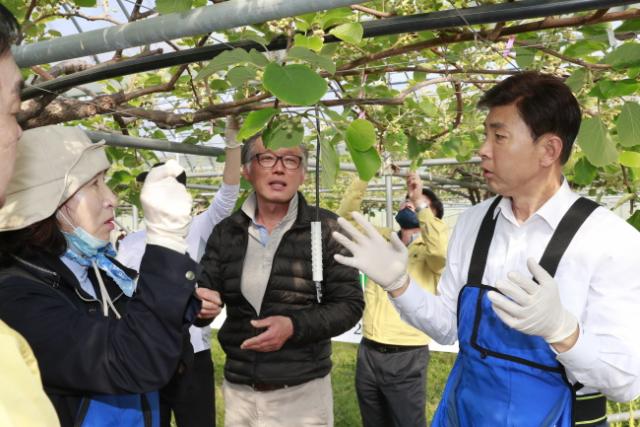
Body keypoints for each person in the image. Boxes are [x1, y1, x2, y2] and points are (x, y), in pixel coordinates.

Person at [333, 71, 640, 427]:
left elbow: (625, 382)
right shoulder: (474, 223)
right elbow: (447, 327)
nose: (483, 149)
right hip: (465, 415)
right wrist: (398, 285)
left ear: (549, 150)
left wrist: (563, 332)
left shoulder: (609, 240)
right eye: (485, 135)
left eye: (499, 136)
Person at [0, 125, 218, 426]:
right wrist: (166, 239)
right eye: (94, 184)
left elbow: (166, 355)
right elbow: (133, 359)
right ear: (47, 204)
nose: (112, 198)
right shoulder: (16, 299)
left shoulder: (102, 276)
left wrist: (181, 303)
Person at [198, 135, 364, 427]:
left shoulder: (326, 229)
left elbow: (349, 305)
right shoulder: (226, 232)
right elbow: (205, 291)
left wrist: (293, 326)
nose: (279, 168)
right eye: (267, 158)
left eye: (290, 160)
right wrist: (199, 304)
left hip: (301, 395)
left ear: (303, 174)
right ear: (247, 170)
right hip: (239, 394)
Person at [117, 117, 242, 427]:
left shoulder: (197, 227)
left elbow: (228, 193)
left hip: (193, 352)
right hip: (144, 352)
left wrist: (233, 140)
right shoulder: (130, 243)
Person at [336, 172, 448, 427]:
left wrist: (419, 202)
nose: (410, 202)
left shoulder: (431, 253)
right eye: (407, 199)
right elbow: (346, 219)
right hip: (369, 350)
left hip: (406, 354)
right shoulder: (384, 239)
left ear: (431, 216)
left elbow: (441, 251)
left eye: (419, 203)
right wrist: (365, 173)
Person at [0, 5, 60, 426]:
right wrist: (166, 241)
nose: (18, 131)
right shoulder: (24, 287)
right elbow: (126, 360)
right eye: (11, 111)